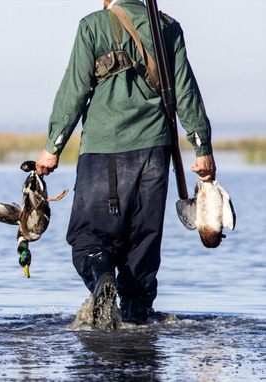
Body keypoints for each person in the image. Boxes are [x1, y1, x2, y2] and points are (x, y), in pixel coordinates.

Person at [35, 0, 216, 324]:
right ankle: (138, 317)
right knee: (142, 247)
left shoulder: (92, 25)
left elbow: (73, 91)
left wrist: (53, 147)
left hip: (103, 151)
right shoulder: (168, 27)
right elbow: (186, 92)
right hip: (155, 154)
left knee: (88, 239)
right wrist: (202, 148)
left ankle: (103, 282)